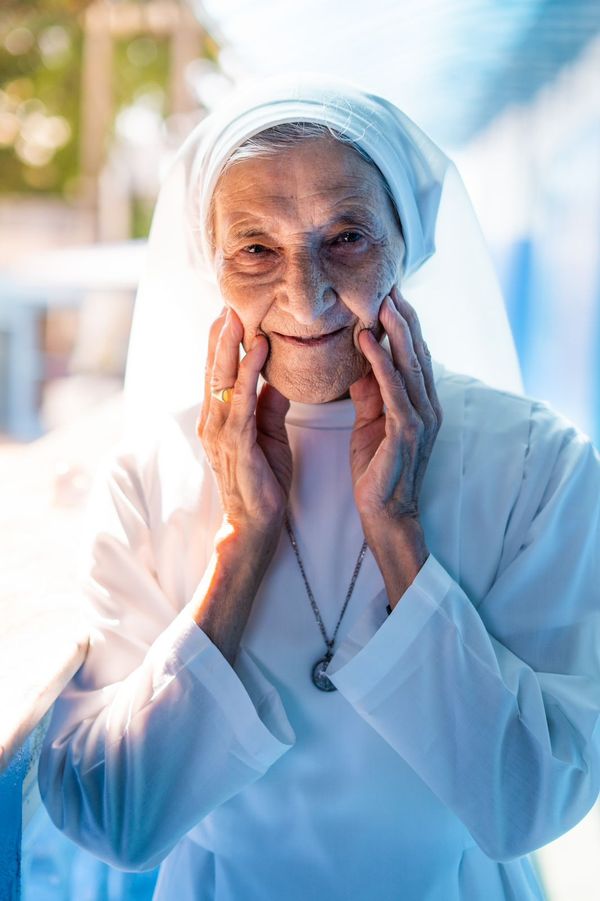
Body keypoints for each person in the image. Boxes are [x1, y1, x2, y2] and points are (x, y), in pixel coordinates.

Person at [39, 75, 600, 900]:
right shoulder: (148, 476)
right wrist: (240, 549)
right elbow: (112, 817)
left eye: (347, 237)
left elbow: (535, 801)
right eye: (256, 248)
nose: (305, 296)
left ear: (406, 246)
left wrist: (399, 532)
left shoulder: (536, 464)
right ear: (211, 267)